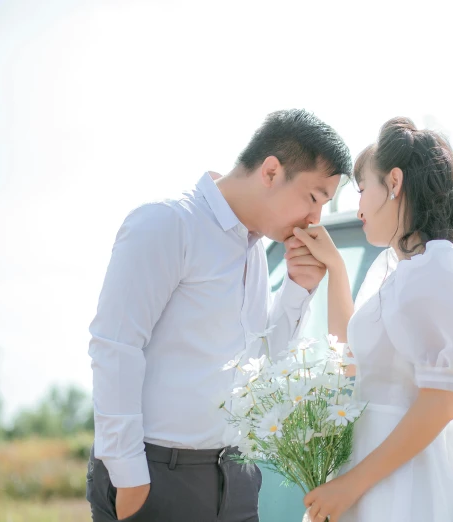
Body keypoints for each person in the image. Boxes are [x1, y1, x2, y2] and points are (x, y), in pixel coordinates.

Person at [86, 109, 352, 522]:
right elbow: (115, 346)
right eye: (314, 197)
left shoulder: (254, 250)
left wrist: (299, 289)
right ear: (270, 171)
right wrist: (129, 476)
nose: (316, 218)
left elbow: (258, 368)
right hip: (156, 476)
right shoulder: (168, 223)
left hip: (236, 478)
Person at [290, 117, 453, 522]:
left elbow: (440, 404)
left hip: (404, 477)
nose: (357, 207)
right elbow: (351, 360)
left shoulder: (439, 267)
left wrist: (351, 485)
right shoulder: (399, 269)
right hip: (375, 465)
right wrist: (336, 269)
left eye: (362, 190)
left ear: (393, 182)